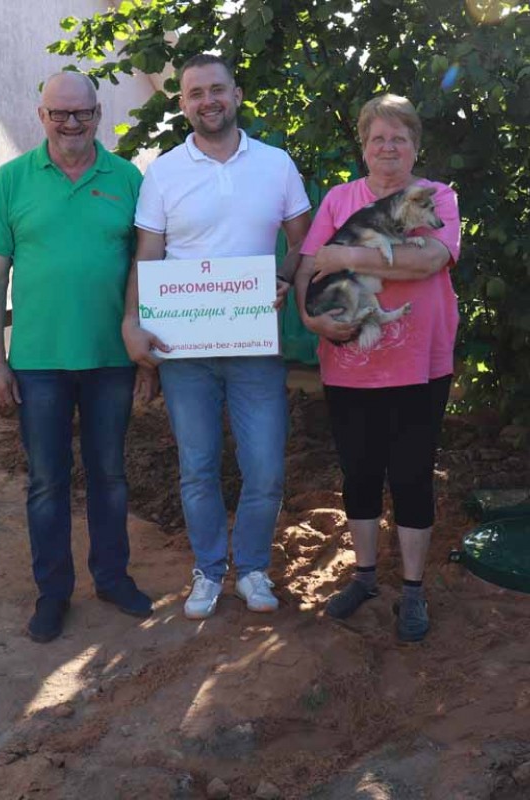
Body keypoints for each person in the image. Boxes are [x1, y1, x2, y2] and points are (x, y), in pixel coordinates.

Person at [123, 54, 312, 620]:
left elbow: (304, 239)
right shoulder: (163, 173)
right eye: (195, 93)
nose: (208, 101)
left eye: (217, 89)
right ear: (182, 103)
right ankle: (208, 570)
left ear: (236, 94)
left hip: (255, 347)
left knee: (265, 469)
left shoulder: (276, 164)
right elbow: (148, 255)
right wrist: (133, 322)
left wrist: (284, 278)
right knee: (198, 469)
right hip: (186, 353)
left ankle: (252, 568)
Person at [0, 71, 154, 644]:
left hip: (111, 359)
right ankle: (52, 593)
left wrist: (145, 358)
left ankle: (112, 578)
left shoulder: (128, 179)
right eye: (60, 113)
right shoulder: (11, 180)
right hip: (38, 363)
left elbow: (146, 267)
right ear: (42, 116)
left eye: (82, 113)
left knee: (110, 476)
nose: (71, 123)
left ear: (99, 114)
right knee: (47, 483)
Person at [294, 94, 462, 643]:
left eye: (399, 139)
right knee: (359, 473)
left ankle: (412, 590)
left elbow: (428, 260)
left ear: (415, 147)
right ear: (364, 147)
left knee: (412, 475)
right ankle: (364, 578)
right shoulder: (339, 199)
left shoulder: (437, 196)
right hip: (350, 364)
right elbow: (308, 266)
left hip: (420, 364)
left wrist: (346, 256)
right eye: (378, 139)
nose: (388, 148)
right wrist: (311, 319)